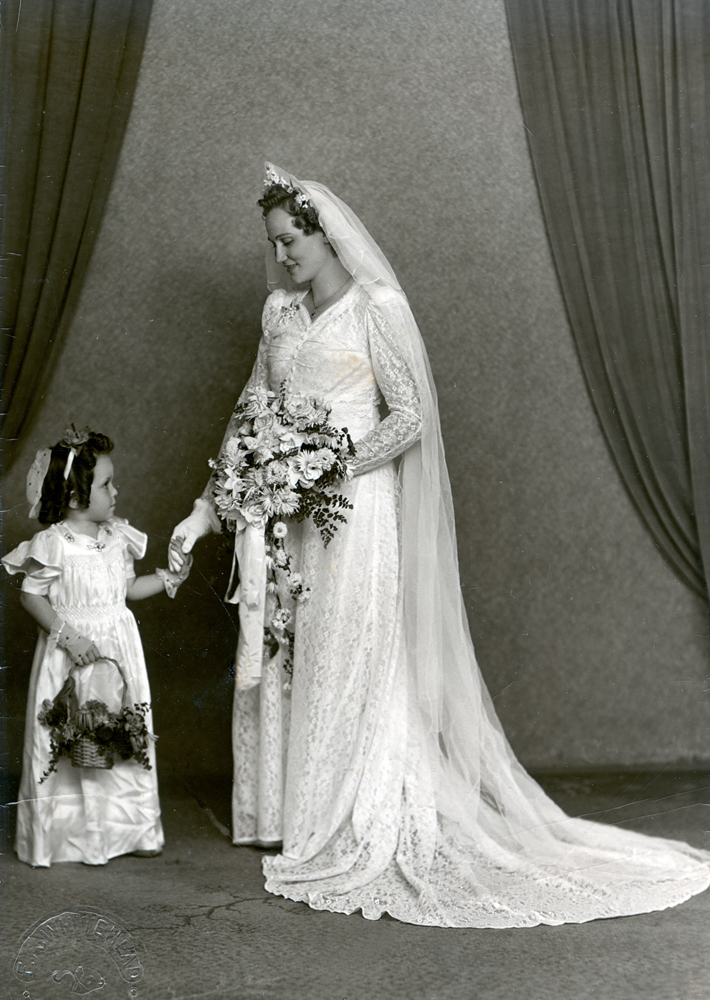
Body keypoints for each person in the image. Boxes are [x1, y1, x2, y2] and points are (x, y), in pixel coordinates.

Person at [169, 164, 710, 926]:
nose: (284, 256)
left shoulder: (377, 309)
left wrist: (327, 465)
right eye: (274, 244)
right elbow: (250, 407)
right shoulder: (279, 313)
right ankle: (290, 814)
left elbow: (410, 417)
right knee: (296, 649)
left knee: (350, 649)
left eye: (293, 240)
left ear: (327, 234)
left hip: (355, 509)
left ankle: (350, 812)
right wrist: (216, 500)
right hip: (289, 514)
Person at [3, 428, 191, 867]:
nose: (116, 491)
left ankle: (124, 832)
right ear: (73, 496)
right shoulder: (53, 543)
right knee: (70, 736)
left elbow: (127, 589)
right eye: (107, 484)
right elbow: (30, 596)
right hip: (72, 654)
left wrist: (167, 580)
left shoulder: (118, 536)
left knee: (118, 734)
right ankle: (68, 839)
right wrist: (68, 636)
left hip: (117, 654)